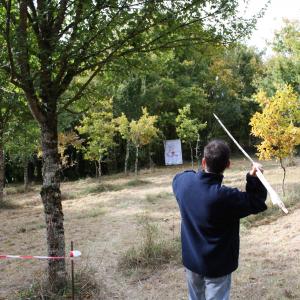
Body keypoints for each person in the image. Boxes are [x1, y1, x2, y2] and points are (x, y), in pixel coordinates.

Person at [172, 139, 267, 300]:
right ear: (228, 164)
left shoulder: (183, 184)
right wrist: (254, 177)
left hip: (192, 261)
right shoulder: (226, 197)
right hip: (217, 265)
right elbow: (256, 201)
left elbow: (183, 175)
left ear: (203, 161)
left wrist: (200, 174)